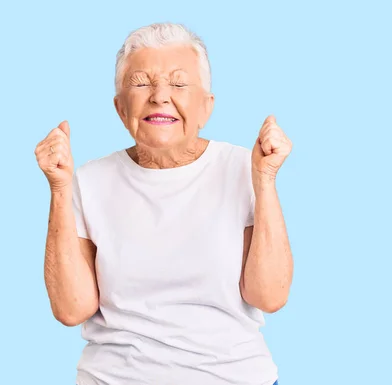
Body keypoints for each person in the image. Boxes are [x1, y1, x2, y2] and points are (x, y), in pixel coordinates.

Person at [34, 22, 293, 385]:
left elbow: (269, 295)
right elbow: (71, 309)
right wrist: (59, 188)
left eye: (179, 83)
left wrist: (264, 180)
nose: (159, 96)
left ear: (206, 107)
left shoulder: (244, 167)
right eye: (141, 83)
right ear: (120, 109)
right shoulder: (88, 181)